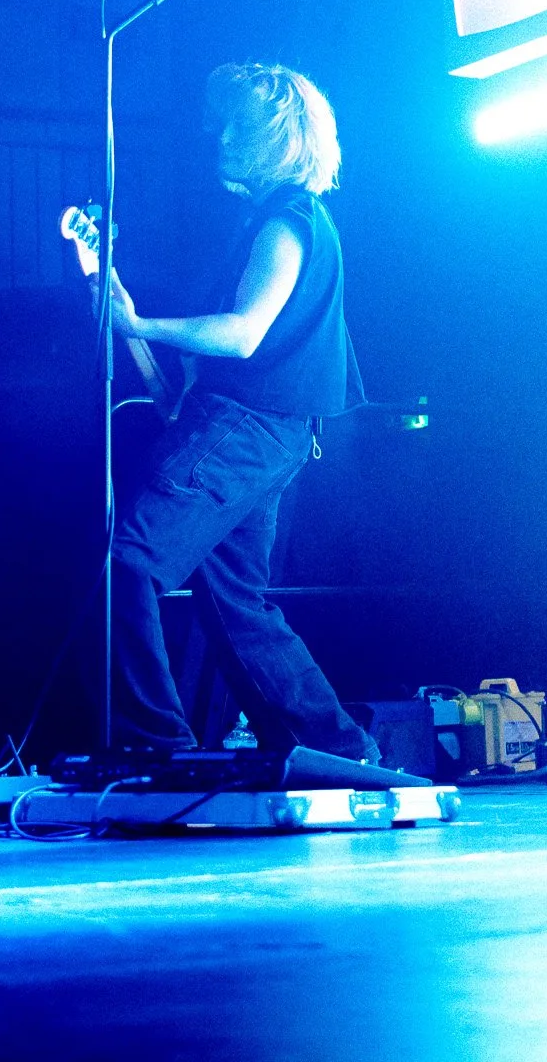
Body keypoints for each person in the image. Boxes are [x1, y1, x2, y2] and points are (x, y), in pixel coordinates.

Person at [103, 61, 374, 760]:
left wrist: (141, 327)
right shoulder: (285, 220)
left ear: (274, 134)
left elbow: (245, 331)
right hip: (269, 432)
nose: (216, 134)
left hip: (243, 428)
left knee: (128, 561)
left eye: (236, 123)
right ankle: (338, 751)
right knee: (238, 606)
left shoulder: (287, 223)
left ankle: (154, 746)